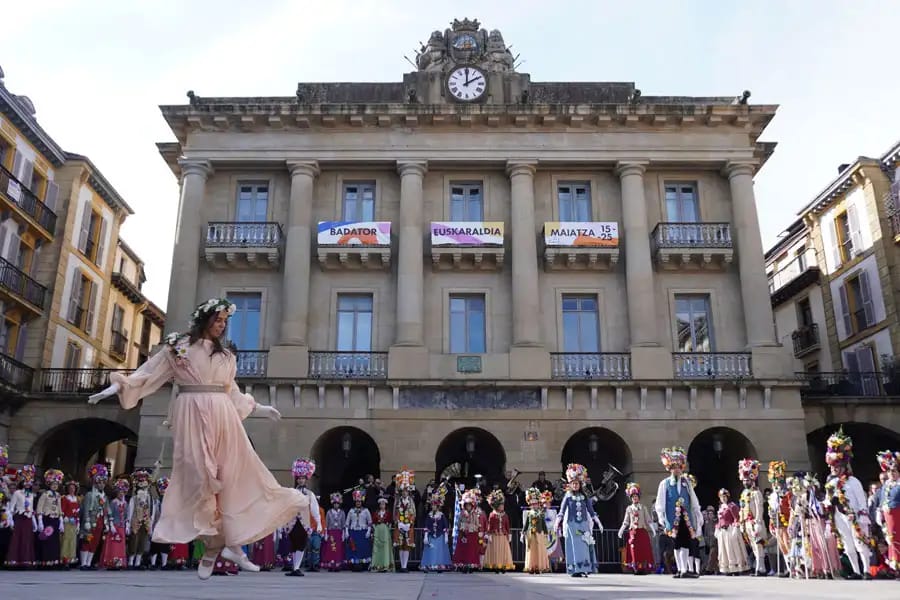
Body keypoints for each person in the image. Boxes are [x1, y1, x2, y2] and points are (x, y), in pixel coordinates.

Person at [87, 297, 297, 580]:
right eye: (218, 320)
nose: (222, 326)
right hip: (191, 412)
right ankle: (216, 546)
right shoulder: (178, 347)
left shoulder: (226, 356)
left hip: (223, 414)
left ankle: (227, 546)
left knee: (231, 476)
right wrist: (116, 387)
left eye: (225, 321)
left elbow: (231, 391)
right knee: (199, 477)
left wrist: (259, 407)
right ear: (204, 319)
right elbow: (148, 373)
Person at [823, 427, 873, 579]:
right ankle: (856, 571)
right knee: (847, 545)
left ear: (843, 467)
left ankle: (867, 570)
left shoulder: (853, 481)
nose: (833, 469)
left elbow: (861, 500)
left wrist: (862, 515)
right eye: (831, 466)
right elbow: (827, 499)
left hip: (854, 516)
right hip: (838, 516)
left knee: (860, 543)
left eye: (836, 467)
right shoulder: (830, 482)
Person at [654, 447, 702, 579]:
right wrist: (661, 517)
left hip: (685, 517)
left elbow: (693, 499)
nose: (677, 470)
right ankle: (680, 569)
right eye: (674, 467)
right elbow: (660, 501)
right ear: (669, 468)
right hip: (672, 517)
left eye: (679, 467)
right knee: (676, 543)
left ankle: (684, 569)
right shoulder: (665, 484)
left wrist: (697, 513)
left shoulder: (687, 482)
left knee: (685, 542)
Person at [556, 463, 602, 577]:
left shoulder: (585, 496)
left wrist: (598, 522)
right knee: (573, 546)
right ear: (570, 485)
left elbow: (591, 511)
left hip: (583, 524)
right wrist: (557, 522)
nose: (575, 485)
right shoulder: (567, 496)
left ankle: (584, 567)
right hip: (572, 525)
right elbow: (561, 510)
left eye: (577, 483)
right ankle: (575, 569)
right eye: (573, 484)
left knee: (584, 545)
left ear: (580, 484)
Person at [285, 458, 320, 577]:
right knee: (293, 544)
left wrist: (319, 523)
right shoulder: (291, 492)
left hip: (304, 522)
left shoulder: (310, 494)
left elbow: (314, 509)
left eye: (302, 478)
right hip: (292, 522)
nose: (300, 480)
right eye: (299, 478)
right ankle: (295, 567)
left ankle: (297, 567)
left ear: (306, 479)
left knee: (301, 544)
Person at [737, 458, 768, 576]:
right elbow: (742, 508)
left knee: (758, 545)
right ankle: (760, 568)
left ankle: (761, 568)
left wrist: (758, 521)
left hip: (755, 522)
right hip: (746, 522)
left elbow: (759, 507)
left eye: (747, 480)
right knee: (753, 546)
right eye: (744, 481)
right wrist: (741, 522)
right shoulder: (744, 493)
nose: (745, 482)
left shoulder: (756, 493)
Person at [617, 483, 655, 575]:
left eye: (636, 496)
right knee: (634, 550)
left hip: (642, 531)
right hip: (633, 532)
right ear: (631, 498)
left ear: (639, 497)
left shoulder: (643, 508)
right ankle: (636, 568)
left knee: (644, 549)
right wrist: (621, 530)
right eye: (633, 496)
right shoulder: (629, 509)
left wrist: (653, 529)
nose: (635, 498)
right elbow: (626, 521)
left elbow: (648, 520)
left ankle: (644, 568)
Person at [6, 464, 37, 567]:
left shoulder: (31, 495)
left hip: (28, 518)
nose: (27, 484)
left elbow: (32, 509)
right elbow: (11, 508)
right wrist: (10, 520)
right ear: (22, 483)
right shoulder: (17, 493)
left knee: (27, 539)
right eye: (25, 482)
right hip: (19, 517)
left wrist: (35, 522)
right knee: (17, 539)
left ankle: (26, 560)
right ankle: (15, 560)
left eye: (29, 482)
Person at [79, 463, 108, 570]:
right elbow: (86, 509)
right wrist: (86, 520)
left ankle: (89, 562)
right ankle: (83, 563)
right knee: (87, 540)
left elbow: (106, 510)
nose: (101, 485)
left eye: (103, 483)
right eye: (99, 482)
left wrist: (106, 522)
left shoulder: (104, 496)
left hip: (100, 522)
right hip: (90, 521)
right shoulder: (89, 495)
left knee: (95, 542)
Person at [876, 450, 900, 572]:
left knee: (897, 538)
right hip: (888, 515)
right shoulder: (886, 485)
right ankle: (895, 565)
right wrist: (879, 512)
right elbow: (882, 499)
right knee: (891, 539)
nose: (892, 474)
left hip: (898, 513)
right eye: (890, 471)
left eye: (894, 471)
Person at [767, 460, 791, 577]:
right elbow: (770, 511)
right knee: (782, 547)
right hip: (777, 523)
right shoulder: (772, 496)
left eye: (779, 482)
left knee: (788, 544)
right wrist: (771, 524)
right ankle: (787, 568)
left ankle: (793, 567)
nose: (776, 485)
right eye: (774, 483)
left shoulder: (787, 494)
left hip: (786, 523)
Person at [715, 488, 747, 575]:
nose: (723, 498)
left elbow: (736, 518)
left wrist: (735, 528)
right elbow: (719, 520)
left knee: (732, 549)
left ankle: (736, 568)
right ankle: (727, 569)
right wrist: (717, 528)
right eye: (721, 497)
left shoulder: (732, 506)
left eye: (725, 496)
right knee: (723, 550)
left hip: (730, 529)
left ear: (728, 497)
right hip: (722, 531)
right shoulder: (721, 507)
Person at [100, 477, 130, 569]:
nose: (121, 494)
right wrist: (111, 525)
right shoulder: (113, 502)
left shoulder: (125, 504)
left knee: (120, 545)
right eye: (119, 492)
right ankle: (111, 562)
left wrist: (127, 525)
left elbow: (126, 515)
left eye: (123, 492)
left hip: (121, 527)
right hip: (115, 526)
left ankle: (119, 563)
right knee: (113, 545)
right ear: (117, 493)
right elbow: (110, 513)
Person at [36, 468, 64, 567]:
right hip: (47, 519)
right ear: (49, 484)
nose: (55, 486)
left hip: (55, 519)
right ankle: (44, 561)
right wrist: (40, 521)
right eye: (53, 484)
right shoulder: (45, 494)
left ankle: (53, 561)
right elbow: (39, 508)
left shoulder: (58, 495)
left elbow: (60, 508)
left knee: (54, 541)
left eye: (56, 484)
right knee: (46, 540)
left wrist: (61, 521)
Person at [420, 487, 452, 572]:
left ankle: (439, 566)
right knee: (431, 550)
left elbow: (445, 526)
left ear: (438, 506)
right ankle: (429, 565)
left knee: (439, 551)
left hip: (440, 536)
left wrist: (445, 536)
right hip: (431, 536)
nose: (433, 507)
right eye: (432, 505)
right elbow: (426, 525)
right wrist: (426, 536)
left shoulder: (441, 515)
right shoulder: (429, 515)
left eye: (434, 505)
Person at [127, 468, 153, 569]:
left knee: (143, 540)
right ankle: (131, 561)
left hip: (145, 521)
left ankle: (138, 561)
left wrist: (150, 522)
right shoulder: (134, 498)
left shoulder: (149, 497)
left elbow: (151, 510)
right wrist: (128, 523)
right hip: (135, 520)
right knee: (134, 540)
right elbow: (130, 509)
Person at [452, 489, 483, 572]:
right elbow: (458, 523)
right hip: (464, 534)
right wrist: (462, 527)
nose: (468, 507)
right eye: (467, 505)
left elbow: (477, 523)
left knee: (472, 551)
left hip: (472, 534)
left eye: (470, 505)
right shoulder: (462, 513)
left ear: (472, 506)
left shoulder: (475, 514)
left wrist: (475, 528)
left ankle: (471, 564)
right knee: (463, 550)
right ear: (465, 506)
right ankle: (463, 564)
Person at [521, 487, 550, 574]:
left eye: (536, 504)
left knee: (539, 550)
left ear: (538, 504)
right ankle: (531, 566)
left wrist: (546, 532)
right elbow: (526, 524)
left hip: (539, 533)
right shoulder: (529, 513)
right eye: (532, 504)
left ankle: (538, 566)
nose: (534, 506)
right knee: (531, 550)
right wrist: (523, 532)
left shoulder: (541, 513)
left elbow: (544, 524)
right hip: (531, 533)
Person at [485, 489, 514, 572]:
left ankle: (503, 565)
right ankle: (496, 566)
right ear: (497, 506)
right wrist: (489, 534)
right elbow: (490, 525)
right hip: (495, 535)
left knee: (503, 551)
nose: (502, 507)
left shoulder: (505, 515)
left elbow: (507, 525)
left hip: (503, 535)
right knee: (496, 551)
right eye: (501, 505)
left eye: (503, 505)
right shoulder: (492, 515)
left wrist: (509, 534)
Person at [393, 468, 416, 573]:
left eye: (406, 491)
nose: (404, 493)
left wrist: (410, 523)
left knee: (407, 546)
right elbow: (395, 512)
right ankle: (401, 565)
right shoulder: (398, 501)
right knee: (400, 545)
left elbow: (413, 513)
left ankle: (405, 565)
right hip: (399, 525)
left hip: (408, 525)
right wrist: (398, 522)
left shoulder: (411, 501)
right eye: (403, 491)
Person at [344, 488, 373, 570]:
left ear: (362, 502)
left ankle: (363, 564)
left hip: (363, 531)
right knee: (353, 548)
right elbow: (347, 522)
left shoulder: (366, 511)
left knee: (362, 548)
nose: (358, 503)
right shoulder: (351, 511)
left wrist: (368, 531)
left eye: (359, 501)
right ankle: (354, 564)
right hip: (353, 532)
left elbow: (370, 522)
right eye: (357, 501)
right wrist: (346, 531)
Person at [321, 492, 346, 571]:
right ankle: (331, 564)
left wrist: (344, 534)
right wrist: (326, 533)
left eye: (337, 504)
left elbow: (343, 524)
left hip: (338, 532)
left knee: (338, 549)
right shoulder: (329, 512)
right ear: (332, 504)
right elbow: (326, 523)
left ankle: (337, 564)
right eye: (335, 503)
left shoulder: (342, 512)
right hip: (331, 532)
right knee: (331, 548)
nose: (336, 505)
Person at [370, 495, 394, 572]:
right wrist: (375, 528)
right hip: (378, 531)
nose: (382, 505)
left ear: (385, 505)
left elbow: (390, 523)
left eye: (383, 504)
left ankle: (386, 565)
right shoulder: (376, 513)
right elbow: (373, 522)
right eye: (381, 504)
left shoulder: (388, 513)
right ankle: (376, 565)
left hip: (385, 532)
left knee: (385, 548)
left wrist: (388, 528)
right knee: (377, 548)